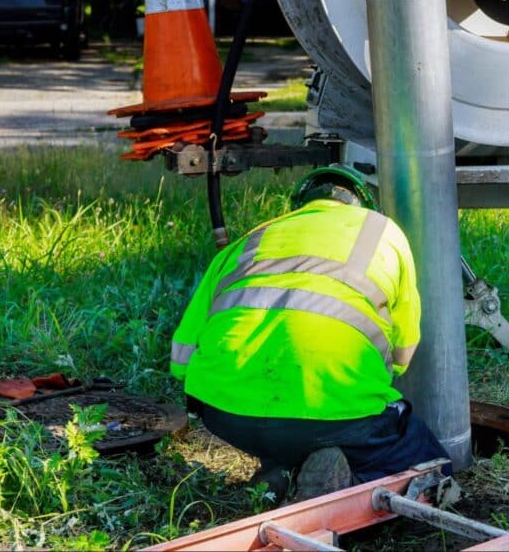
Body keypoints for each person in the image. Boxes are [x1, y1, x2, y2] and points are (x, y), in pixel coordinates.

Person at [170, 165, 450, 501]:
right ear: (362, 204)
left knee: (287, 427)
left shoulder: (249, 240)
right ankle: (346, 486)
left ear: (300, 206)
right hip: (334, 412)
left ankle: (281, 472)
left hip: (225, 415)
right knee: (436, 466)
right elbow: (404, 353)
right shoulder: (382, 231)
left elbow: (181, 361)